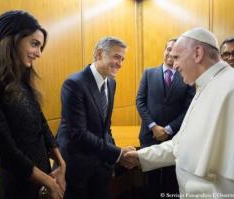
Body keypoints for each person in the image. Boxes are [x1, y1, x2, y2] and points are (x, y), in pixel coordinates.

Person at [125, 27, 234, 198]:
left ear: (197, 53)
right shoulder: (204, 85)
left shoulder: (230, 88)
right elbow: (181, 145)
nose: (174, 64)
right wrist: (141, 156)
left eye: (177, 57)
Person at [0, 10, 66, 199]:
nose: (39, 54)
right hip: (17, 186)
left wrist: (60, 162)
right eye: (34, 44)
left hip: (41, 179)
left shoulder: (22, 79)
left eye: (41, 47)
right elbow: (4, 149)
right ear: (14, 40)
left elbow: (41, 123)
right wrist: (48, 181)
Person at [56, 36, 135, 199]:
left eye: (122, 59)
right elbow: (79, 133)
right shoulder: (74, 84)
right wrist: (118, 154)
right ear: (99, 54)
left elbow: (105, 127)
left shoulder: (111, 83)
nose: (120, 64)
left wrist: (116, 154)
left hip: (101, 164)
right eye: (116, 57)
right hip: (77, 166)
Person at [136, 38, 195, 198]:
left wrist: (169, 129)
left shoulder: (187, 76)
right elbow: (140, 101)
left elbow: (188, 109)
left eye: (175, 51)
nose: (171, 53)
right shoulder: (149, 73)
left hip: (174, 137)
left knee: (171, 182)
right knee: (150, 181)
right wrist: (153, 126)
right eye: (168, 49)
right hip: (149, 135)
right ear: (164, 50)